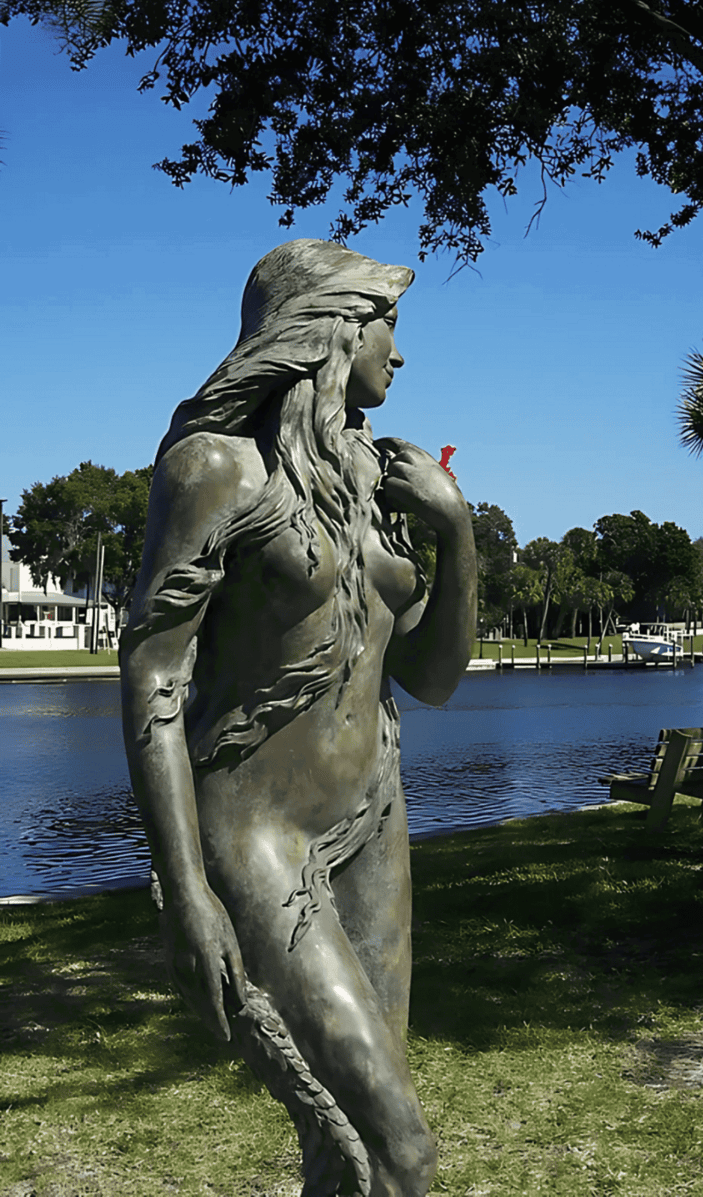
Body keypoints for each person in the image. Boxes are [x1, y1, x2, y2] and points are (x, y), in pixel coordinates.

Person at [120, 239, 477, 1197]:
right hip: (258, 834)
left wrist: (457, 534)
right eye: (388, 325)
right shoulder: (216, 470)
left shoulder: (382, 479)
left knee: (348, 1146)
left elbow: (435, 679)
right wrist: (185, 886)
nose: (399, 354)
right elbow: (152, 673)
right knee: (402, 1149)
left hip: (377, 817)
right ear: (331, 327)